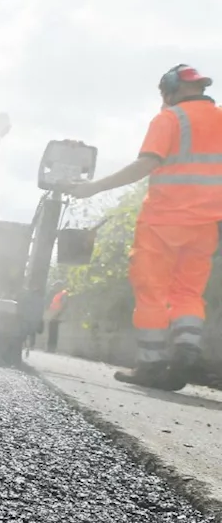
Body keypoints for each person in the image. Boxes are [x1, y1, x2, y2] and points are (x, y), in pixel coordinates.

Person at [60, 64, 222, 391]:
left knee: (152, 292)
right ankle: (187, 350)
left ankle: (150, 365)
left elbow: (145, 165)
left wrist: (94, 187)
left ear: (170, 90)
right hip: (206, 226)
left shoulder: (169, 119)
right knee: (188, 293)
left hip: (163, 223)